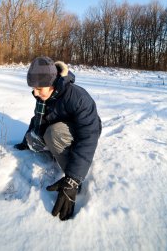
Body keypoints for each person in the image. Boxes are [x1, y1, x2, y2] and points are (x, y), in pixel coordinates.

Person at [14, 56, 101, 221]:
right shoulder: (45, 97)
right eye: (33, 88)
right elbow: (38, 120)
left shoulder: (78, 97)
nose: (35, 92)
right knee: (36, 138)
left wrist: (72, 179)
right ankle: (57, 150)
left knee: (53, 134)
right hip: (62, 129)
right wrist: (26, 142)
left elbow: (89, 136)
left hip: (86, 132)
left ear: (53, 83)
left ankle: (74, 180)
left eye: (39, 88)